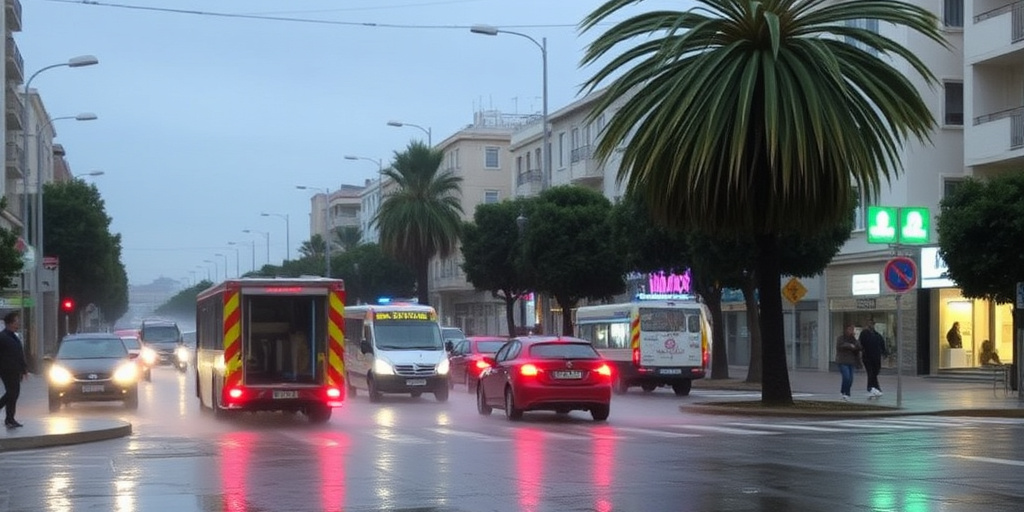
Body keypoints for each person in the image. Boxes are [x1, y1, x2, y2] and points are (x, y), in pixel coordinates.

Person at [0, 311, 29, 428]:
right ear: (10, 323)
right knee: (12, 393)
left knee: (13, 394)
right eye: (17, 322)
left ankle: (10, 418)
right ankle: (10, 418)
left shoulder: (13, 337)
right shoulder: (2, 337)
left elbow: (19, 354)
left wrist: (24, 368)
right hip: (7, 370)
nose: (18, 324)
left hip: (15, 370)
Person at [859, 321, 888, 398]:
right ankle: (871, 388)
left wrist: (884, 353)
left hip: (876, 357)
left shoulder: (877, 335)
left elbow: (882, 344)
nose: (871, 326)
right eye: (869, 324)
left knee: (875, 372)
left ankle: (875, 388)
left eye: (872, 324)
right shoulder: (864, 334)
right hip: (867, 357)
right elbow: (861, 344)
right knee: (871, 373)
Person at [835, 324, 862, 401]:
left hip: (852, 361)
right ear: (846, 329)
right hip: (843, 361)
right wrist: (850, 345)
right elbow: (841, 346)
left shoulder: (854, 339)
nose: (851, 331)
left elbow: (859, 347)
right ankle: (844, 392)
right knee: (846, 377)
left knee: (850, 378)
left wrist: (855, 340)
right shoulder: (841, 338)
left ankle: (846, 393)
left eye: (853, 329)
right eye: (850, 329)